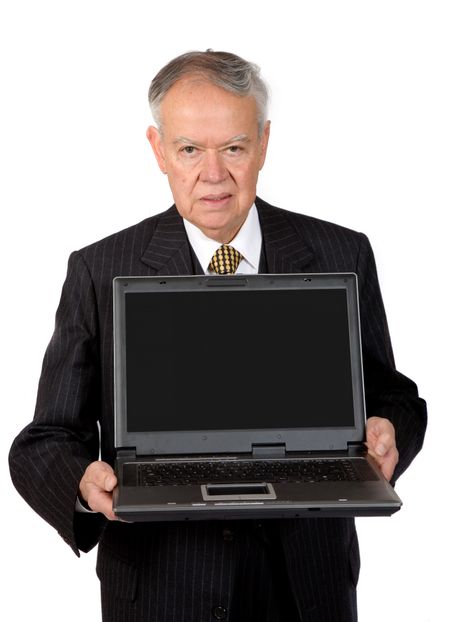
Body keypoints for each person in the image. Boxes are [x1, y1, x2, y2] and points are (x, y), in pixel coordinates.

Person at [9, 50, 427, 622]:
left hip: (307, 589)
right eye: (189, 150)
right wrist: (82, 482)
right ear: (158, 150)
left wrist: (389, 430)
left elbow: (395, 396)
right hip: (162, 589)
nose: (213, 173)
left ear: (263, 143)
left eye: (233, 147)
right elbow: (45, 440)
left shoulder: (341, 252)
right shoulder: (98, 270)